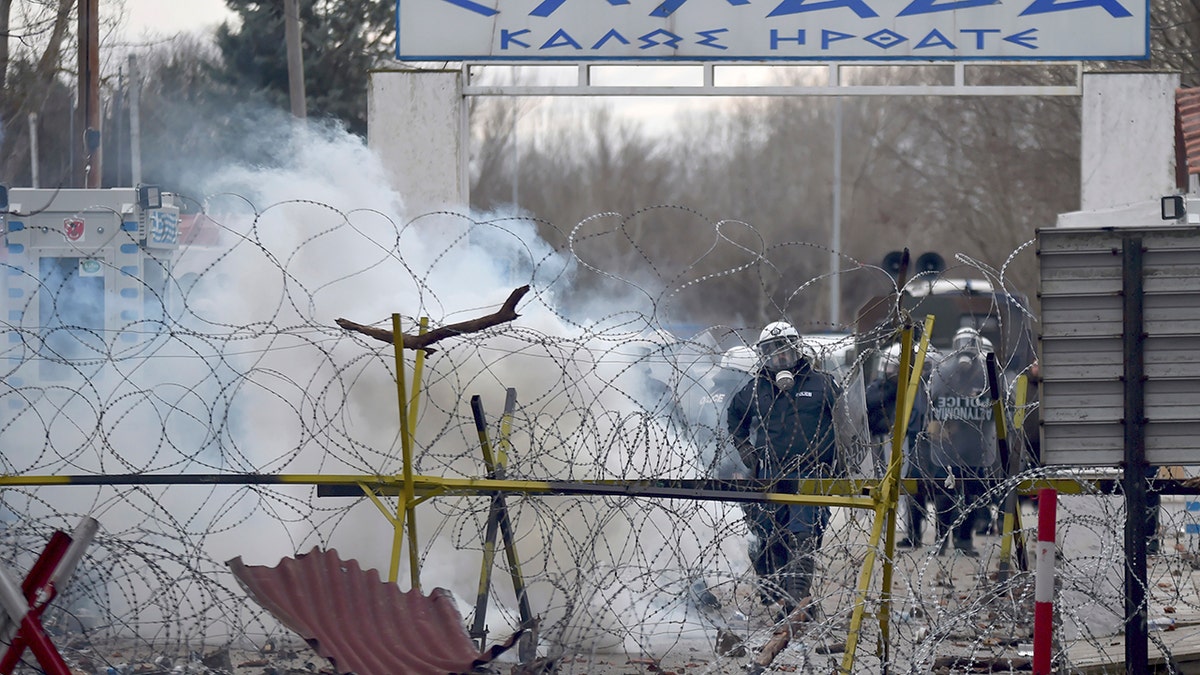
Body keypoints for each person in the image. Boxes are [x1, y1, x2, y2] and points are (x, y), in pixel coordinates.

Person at [727, 321, 842, 622]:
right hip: (770, 475)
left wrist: (841, 461)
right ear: (763, 355)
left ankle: (797, 605)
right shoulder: (755, 389)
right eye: (772, 351)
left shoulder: (823, 384)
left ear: (797, 350)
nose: (780, 358)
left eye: (785, 350)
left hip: (811, 475)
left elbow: (847, 422)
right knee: (764, 538)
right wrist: (744, 448)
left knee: (801, 537)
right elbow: (734, 416)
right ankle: (777, 592)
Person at [925, 326, 1000, 557]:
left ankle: (964, 541)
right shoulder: (944, 371)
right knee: (944, 495)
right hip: (948, 445)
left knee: (970, 494)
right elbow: (932, 400)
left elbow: (1000, 401)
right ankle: (941, 540)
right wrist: (936, 422)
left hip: (976, 446)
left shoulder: (987, 372)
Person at [866, 342, 936, 549]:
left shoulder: (925, 388)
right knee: (897, 483)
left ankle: (918, 532)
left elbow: (924, 413)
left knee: (918, 485)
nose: (889, 372)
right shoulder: (886, 388)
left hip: (919, 441)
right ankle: (905, 529)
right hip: (890, 439)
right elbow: (871, 403)